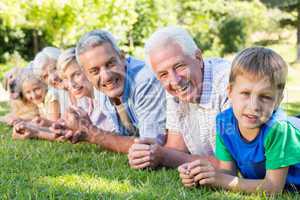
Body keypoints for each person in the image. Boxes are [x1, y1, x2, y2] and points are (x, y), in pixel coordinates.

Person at [179, 47, 300, 194]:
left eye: (265, 97)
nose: (253, 106)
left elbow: (273, 188)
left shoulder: (278, 130)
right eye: (245, 93)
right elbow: (228, 173)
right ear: (229, 91)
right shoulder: (224, 123)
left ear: (278, 101)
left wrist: (220, 179)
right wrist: (202, 176)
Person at [128, 26, 231, 169]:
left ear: (198, 58)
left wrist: (164, 156)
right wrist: (147, 154)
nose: (175, 80)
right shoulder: (176, 91)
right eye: (163, 74)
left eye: (179, 66)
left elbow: (231, 164)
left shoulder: (227, 84)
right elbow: (176, 148)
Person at [53, 30, 166, 153]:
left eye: (110, 64)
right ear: (87, 75)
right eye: (95, 71)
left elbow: (150, 147)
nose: (106, 76)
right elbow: (125, 136)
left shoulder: (144, 82)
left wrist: (91, 133)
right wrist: (79, 129)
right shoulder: (102, 89)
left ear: (122, 58)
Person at [57, 47, 116, 132]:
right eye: (66, 78)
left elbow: (118, 135)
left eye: (76, 74)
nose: (72, 84)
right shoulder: (85, 100)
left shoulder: (106, 96)